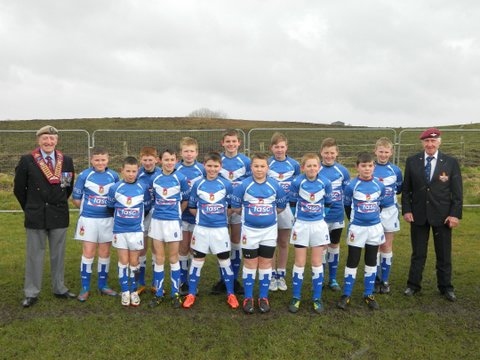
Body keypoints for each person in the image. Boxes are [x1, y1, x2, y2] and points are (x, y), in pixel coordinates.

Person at [14, 125, 76, 308]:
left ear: (57, 141)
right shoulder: (27, 160)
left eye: (52, 138)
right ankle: (31, 292)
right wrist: (31, 207)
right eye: (45, 139)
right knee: (34, 255)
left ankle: (59, 288)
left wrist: (57, 203)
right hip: (36, 214)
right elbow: (19, 189)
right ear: (38, 140)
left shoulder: (66, 160)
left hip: (58, 213)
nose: (48, 142)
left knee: (58, 254)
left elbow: (67, 187)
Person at [402, 128, 462, 302]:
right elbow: (406, 190)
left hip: (442, 216)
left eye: (433, 141)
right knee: (418, 253)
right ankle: (413, 285)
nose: (430, 144)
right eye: (427, 141)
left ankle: (446, 287)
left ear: (439, 142)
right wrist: (407, 210)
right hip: (418, 215)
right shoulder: (412, 161)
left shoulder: (450, 162)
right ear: (422, 143)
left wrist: (454, 214)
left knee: (444, 254)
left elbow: (457, 193)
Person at [231, 153, 287, 314]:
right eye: (256, 166)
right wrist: (251, 214)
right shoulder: (244, 185)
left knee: (265, 264)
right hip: (249, 231)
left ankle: (263, 297)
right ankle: (248, 297)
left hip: (269, 232)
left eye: (262, 166)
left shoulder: (275, 185)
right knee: (250, 265)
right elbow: (235, 206)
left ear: (267, 168)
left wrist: (265, 216)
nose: (259, 169)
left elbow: (280, 206)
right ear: (251, 167)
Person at [182, 152, 239, 309]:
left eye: (216, 166)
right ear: (204, 166)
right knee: (197, 260)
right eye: (209, 166)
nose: (212, 169)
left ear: (220, 166)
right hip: (201, 230)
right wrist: (204, 217)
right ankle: (192, 293)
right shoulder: (198, 184)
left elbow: (230, 207)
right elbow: (192, 207)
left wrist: (219, 217)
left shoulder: (226, 184)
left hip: (220, 230)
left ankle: (231, 294)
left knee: (225, 261)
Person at [337, 152, 386, 311]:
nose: (367, 169)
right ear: (357, 167)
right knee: (353, 260)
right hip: (357, 228)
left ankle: (368, 294)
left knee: (371, 260)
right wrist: (355, 221)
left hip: (374, 228)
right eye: (363, 166)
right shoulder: (352, 186)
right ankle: (346, 294)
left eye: (370, 165)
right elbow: (347, 206)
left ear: (374, 167)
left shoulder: (379, 185)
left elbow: (381, 205)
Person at [72, 146, 120, 301]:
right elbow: (76, 199)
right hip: (89, 220)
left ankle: (103, 285)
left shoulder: (114, 176)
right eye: (97, 160)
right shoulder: (84, 175)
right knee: (88, 252)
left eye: (103, 160)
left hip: (107, 220)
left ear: (108, 160)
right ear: (91, 160)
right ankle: (85, 288)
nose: (100, 163)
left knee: (105, 252)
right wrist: (90, 210)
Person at [288, 153, 332, 314]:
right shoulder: (297, 182)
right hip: (301, 225)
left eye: (315, 165)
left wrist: (319, 217)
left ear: (319, 167)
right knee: (299, 262)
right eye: (309, 165)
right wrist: (300, 217)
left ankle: (317, 298)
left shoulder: (325, 183)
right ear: (303, 167)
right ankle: (296, 297)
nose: (312, 168)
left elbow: (328, 203)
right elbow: (292, 203)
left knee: (316, 262)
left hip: (319, 226)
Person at [148, 149, 190, 308]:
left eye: (172, 159)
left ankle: (175, 293)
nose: (169, 162)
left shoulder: (180, 178)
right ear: (160, 161)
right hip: (157, 222)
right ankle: (158, 293)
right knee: (159, 258)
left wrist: (176, 213)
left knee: (173, 258)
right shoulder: (155, 178)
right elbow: (152, 199)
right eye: (166, 159)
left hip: (173, 223)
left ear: (176, 160)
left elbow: (185, 200)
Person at [108, 156, 151, 307]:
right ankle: (125, 291)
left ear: (138, 171)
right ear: (122, 171)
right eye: (128, 171)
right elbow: (110, 206)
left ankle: (133, 290)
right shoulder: (115, 188)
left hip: (136, 231)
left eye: (134, 171)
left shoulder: (143, 187)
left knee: (134, 261)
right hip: (120, 230)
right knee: (123, 261)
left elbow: (146, 206)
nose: (131, 174)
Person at [212, 129, 251, 295]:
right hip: (220, 208)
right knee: (222, 243)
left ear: (239, 143)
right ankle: (223, 279)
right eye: (228, 141)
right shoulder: (217, 160)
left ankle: (234, 279)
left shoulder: (246, 161)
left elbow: (250, 182)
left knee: (236, 242)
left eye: (234, 141)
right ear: (222, 143)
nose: (231, 144)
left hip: (238, 207)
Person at [267, 132, 300, 292]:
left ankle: (281, 275)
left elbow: (300, 184)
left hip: (286, 207)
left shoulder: (294, 164)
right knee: (271, 242)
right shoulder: (267, 164)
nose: (279, 150)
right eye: (276, 147)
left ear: (286, 147)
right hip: (269, 207)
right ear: (271, 148)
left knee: (284, 242)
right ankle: (272, 275)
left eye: (282, 147)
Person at [175, 137, 206, 295]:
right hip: (181, 215)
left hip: (197, 215)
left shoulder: (202, 168)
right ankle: (183, 281)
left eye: (191, 151)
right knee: (183, 247)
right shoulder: (175, 169)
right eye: (186, 151)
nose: (189, 154)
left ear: (197, 152)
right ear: (181, 152)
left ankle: (194, 282)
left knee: (196, 249)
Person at [319, 138, 350, 291]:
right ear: (321, 153)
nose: (329, 156)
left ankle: (332, 279)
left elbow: (347, 193)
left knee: (334, 246)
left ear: (337, 153)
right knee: (322, 247)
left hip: (337, 215)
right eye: (326, 153)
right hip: (320, 218)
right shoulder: (315, 169)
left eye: (332, 153)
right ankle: (321, 277)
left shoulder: (343, 171)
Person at [373, 137, 403, 294]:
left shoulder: (396, 170)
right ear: (375, 151)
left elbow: (398, 189)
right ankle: (375, 279)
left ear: (391, 152)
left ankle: (385, 280)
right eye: (380, 151)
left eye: (386, 152)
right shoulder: (370, 167)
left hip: (390, 211)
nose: (383, 155)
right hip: (373, 211)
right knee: (375, 245)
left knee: (386, 245)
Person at [136, 146, 162, 295]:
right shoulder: (137, 174)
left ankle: (155, 282)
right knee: (142, 247)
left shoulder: (161, 174)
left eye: (150, 160)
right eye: (145, 160)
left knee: (156, 247)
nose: (147, 162)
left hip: (158, 215)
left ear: (156, 160)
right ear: (141, 160)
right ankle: (140, 282)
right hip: (142, 214)